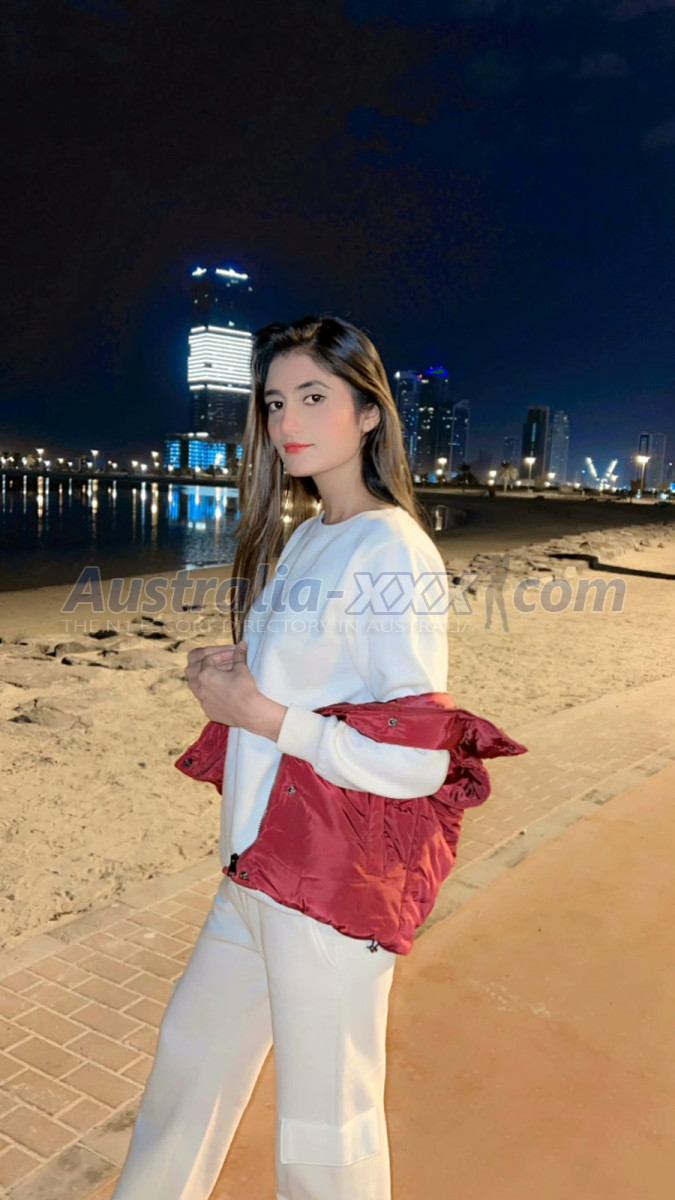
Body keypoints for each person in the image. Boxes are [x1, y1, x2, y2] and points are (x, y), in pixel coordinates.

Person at [112, 315, 471, 1199]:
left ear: (369, 412)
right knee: (188, 1072)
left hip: (325, 887)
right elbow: (314, 681)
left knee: (324, 1132)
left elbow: (418, 763)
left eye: (314, 396)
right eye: (275, 402)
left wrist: (264, 715)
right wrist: (237, 675)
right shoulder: (311, 534)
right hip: (254, 870)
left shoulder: (391, 548)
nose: (287, 421)